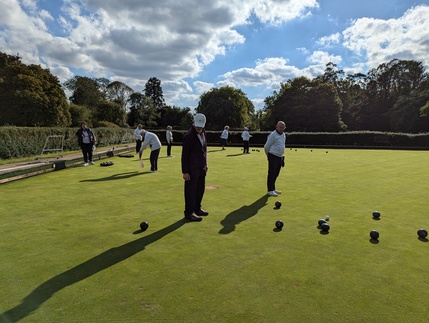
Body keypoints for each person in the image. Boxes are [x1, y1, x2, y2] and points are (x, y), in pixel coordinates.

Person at [181, 113, 209, 222]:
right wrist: (185, 171)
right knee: (190, 191)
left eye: (201, 126)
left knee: (200, 190)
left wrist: (205, 164)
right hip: (192, 169)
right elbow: (185, 155)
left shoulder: (203, 132)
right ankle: (189, 213)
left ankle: (197, 209)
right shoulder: (189, 136)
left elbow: (204, 150)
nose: (199, 128)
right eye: (197, 126)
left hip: (201, 167)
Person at [264, 121, 286, 197]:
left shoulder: (283, 135)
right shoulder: (273, 135)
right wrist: (268, 155)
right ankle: (270, 190)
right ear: (277, 126)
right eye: (280, 127)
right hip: (272, 155)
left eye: (283, 127)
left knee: (276, 173)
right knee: (272, 173)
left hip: (279, 156)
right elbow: (266, 146)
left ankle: (273, 188)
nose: (281, 129)